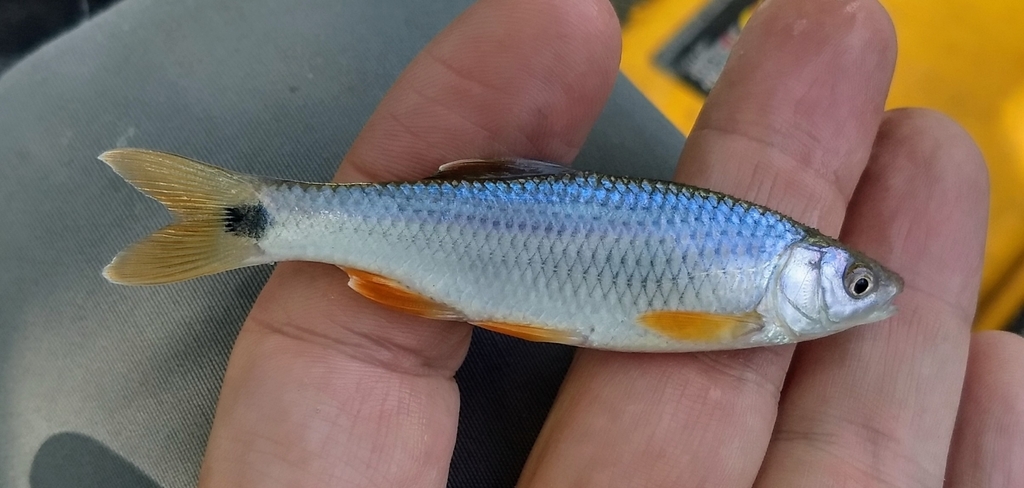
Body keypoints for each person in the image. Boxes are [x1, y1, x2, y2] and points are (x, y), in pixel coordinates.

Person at [3, 0, 1021, 486]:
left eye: (852, 281)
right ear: (794, 270)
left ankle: (260, 219)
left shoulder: (746, 273)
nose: (861, 293)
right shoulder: (741, 293)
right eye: (849, 280)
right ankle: (259, 220)